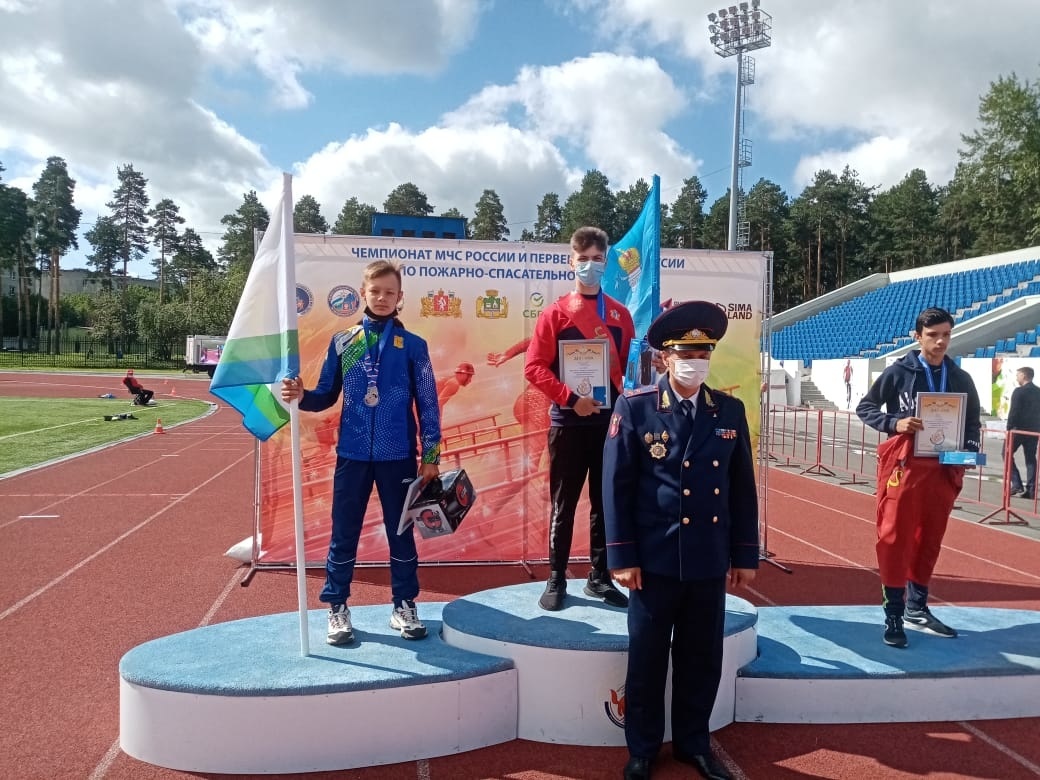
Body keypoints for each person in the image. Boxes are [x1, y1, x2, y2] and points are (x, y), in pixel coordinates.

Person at [604, 300, 758, 780]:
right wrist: (621, 557)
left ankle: (693, 743)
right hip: (653, 561)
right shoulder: (636, 408)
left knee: (701, 658)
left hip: (708, 559)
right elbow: (615, 487)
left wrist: (744, 555)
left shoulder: (728, 410)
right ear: (666, 358)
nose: (697, 361)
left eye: (704, 352)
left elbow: (742, 489)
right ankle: (643, 749)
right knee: (647, 659)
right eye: (687, 352)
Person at [280, 260, 441, 645]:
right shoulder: (344, 343)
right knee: (343, 533)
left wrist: (430, 455)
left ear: (400, 297)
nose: (382, 298)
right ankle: (337, 607)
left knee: (401, 533)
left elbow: (430, 405)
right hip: (352, 454)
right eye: (376, 291)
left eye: (390, 292)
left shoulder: (413, 347)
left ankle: (404, 604)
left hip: (398, 455)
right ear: (363, 293)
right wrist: (301, 397)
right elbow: (324, 397)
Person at [856, 307, 981, 649]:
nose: (941, 342)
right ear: (918, 337)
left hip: (943, 467)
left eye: (946, 335)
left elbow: (972, 424)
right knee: (895, 538)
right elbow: (866, 407)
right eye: (933, 335)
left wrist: (967, 452)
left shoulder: (960, 378)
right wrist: (893, 423)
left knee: (930, 537)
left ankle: (917, 607)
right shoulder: (898, 372)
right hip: (905, 466)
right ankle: (893, 613)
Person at [524, 226, 635, 611]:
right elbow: (534, 368)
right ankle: (556, 577)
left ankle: (599, 577)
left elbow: (626, 371)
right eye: (582, 258)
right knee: (564, 502)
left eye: (596, 258)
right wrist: (572, 399)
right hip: (568, 424)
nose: (589, 265)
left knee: (605, 503)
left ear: (606, 262)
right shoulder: (554, 314)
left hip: (609, 424)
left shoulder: (621, 316)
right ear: (571, 261)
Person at [1006, 366, 1040, 499]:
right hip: (1033, 430)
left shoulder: (1019, 391)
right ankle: (1031, 489)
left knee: (1006, 454)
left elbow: (1014, 411)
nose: (1016, 377)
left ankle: (1017, 484)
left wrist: (1009, 428)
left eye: (1018, 375)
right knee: (1030, 459)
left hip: (1018, 429)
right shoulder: (1038, 392)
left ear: (1024, 376)